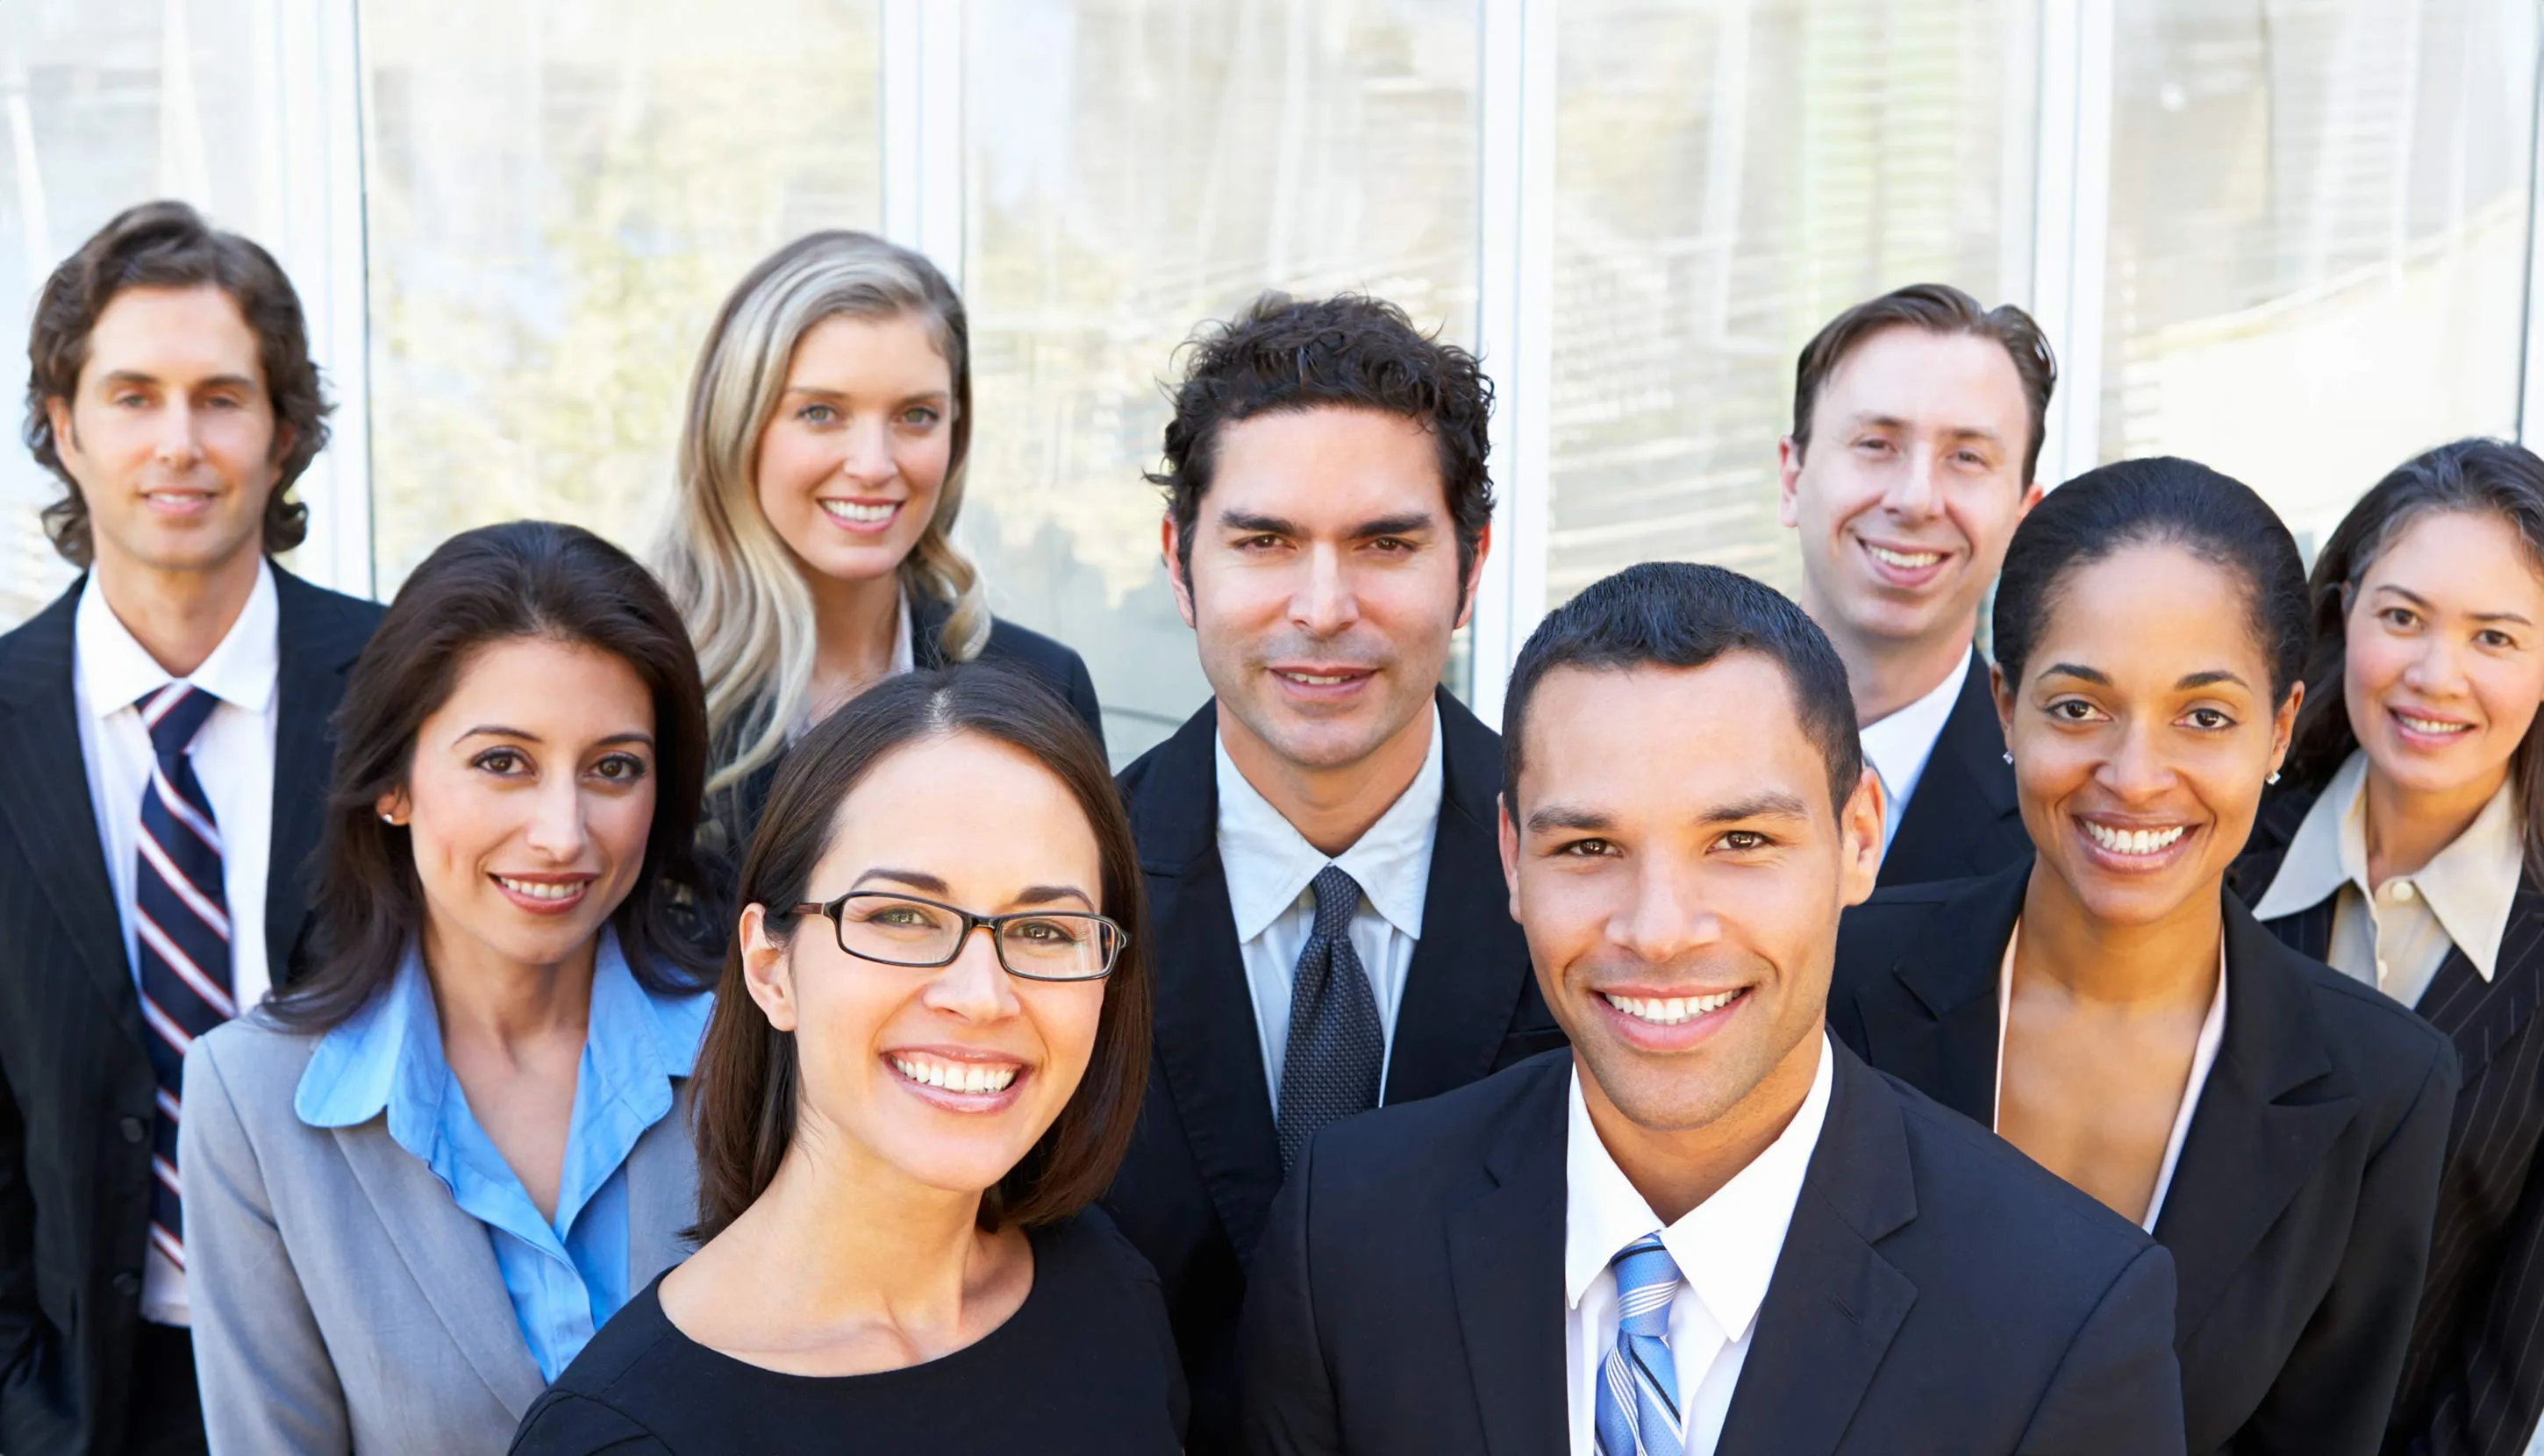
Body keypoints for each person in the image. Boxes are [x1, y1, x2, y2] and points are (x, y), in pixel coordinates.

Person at [1239, 560, 2187, 1455]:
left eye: (1737, 839)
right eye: (1586, 848)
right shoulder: (1349, 1237)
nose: (1657, 931)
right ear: (1511, 859)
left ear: (1857, 838)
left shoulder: (2064, 1312)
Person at [1831, 458, 2460, 1455]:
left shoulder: (2381, 1086)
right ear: (2004, 708)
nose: (2132, 776)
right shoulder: (1832, 980)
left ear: (2278, 728)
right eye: (2076, 707)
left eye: (2202, 717)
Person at [1103, 291, 1565, 1451]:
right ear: (1180, 560)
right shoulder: (1063, 891)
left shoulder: (1597, 884)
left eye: (1385, 544)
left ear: (1472, 566)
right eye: (1264, 543)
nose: (1323, 609)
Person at [510, 667, 1179, 1454]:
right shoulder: (619, 1438)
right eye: (901, 916)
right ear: (769, 966)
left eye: (1044, 931)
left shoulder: (1108, 1292)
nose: (982, 995)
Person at [179, 522, 719, 1454]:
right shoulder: (250, 1100)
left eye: (613, 768)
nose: (562, 831)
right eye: (501, 761)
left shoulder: (755, 1052)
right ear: (394, 782)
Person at [0, 199, 382, 1456]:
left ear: (283, 434)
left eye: (221, 396)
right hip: (85, 1399)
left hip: (377, 1376)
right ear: (63, 427)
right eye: (132, 395)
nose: (180, 442)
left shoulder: (409, 694)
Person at [2232, 439, 2544, 1456]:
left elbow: (2503, 1373)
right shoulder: (2215, 859)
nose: (2432, 675)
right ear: (2342, 616)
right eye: (2401, 617)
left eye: (2493, 638)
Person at [654, 230, 1103, 868]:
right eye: (821, 413)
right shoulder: (650, 688)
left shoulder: (1044, 685)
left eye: (915, 415)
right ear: (736, 427)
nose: (873, 464)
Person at [1779, 283, 2053, 887]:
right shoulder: (1646, 750)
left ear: (2021, 515)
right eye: (1876, 444)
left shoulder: (2061, 828)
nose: (1916, 500)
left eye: (1967, 458)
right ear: (1791, 476)